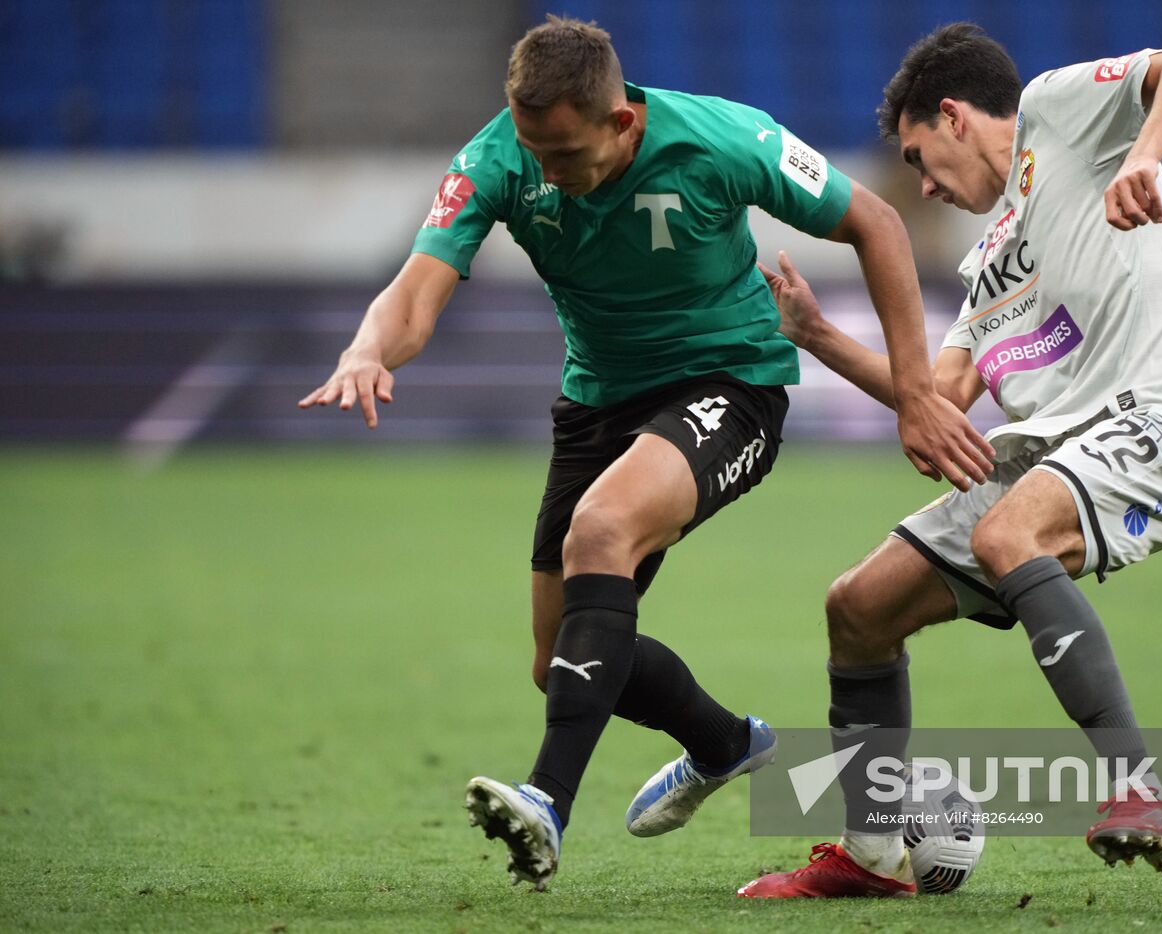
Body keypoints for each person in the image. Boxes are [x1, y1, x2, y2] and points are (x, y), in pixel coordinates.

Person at [299, 16, 988, 891]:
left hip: (729, 384)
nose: (544, 173)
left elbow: (880, 224)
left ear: (621, 122)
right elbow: (413, 294)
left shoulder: (720, 138)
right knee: (558, 665)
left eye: (563, 154)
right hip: (596, 405)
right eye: (530, 148)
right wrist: (366, 351)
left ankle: (547, 801)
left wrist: (917, 394)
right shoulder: (497, 160)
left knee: (603, 529)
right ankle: (725, 743)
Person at [739, 23, 1162, 898]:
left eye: (919, 156)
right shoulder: (991, 262)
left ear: (955, 115)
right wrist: (816, 336)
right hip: (1057, 450)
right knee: (857, 608)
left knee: (1011, 531)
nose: (923, 183)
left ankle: (1140, 790)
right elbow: (931, 399)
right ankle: (872, 855)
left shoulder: (1058, 114)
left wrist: (1144, 159)